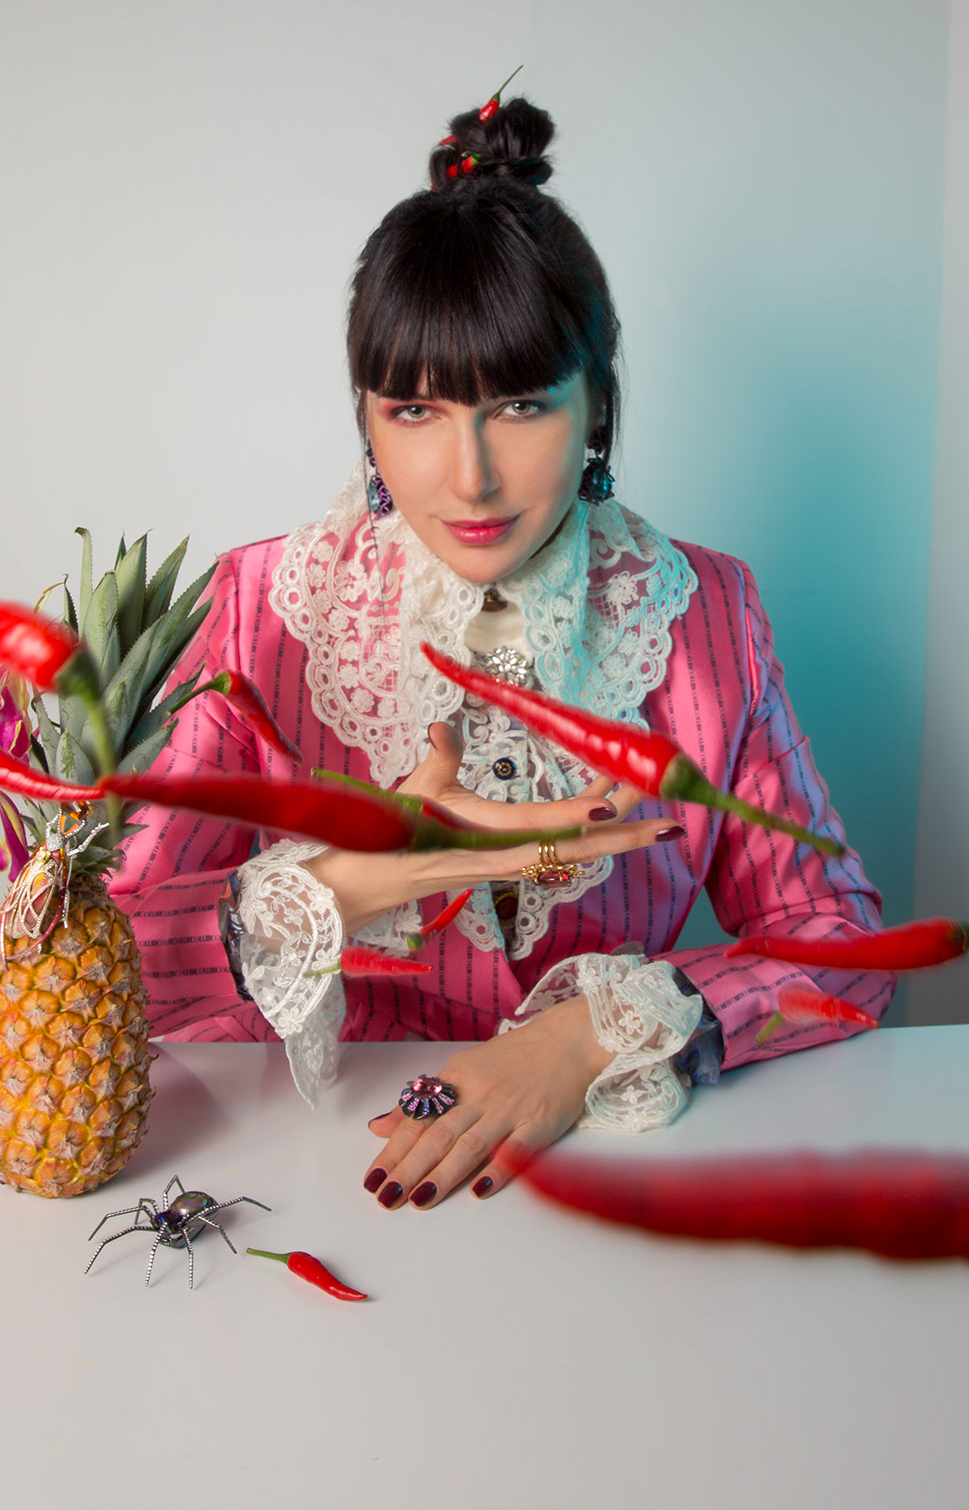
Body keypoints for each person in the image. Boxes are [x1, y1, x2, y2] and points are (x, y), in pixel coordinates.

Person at [110, 87, 893, 1212]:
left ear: (597, 411)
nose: (467, 477)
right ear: (367, 418)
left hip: (611, 1172)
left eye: (520, 404)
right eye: (415, 410)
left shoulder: (703, 614)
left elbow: (845, 941)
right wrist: (332, 888)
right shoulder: (260, 609)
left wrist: (588, 1038)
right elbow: (103, 956)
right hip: (289, 1176)